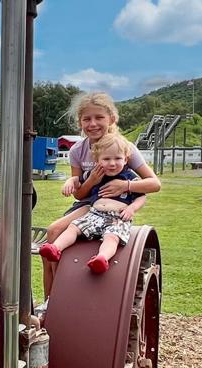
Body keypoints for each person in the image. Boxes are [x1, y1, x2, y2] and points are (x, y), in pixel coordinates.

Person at [40, 93, 160, 302]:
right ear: (80, 123)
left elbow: (154, 184)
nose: (92, 124)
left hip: (114, 204)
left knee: (56, 230)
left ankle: (60, 295)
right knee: (53, 232)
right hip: (89, 202)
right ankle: (51, 296)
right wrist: (91, 181)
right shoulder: (78, 149)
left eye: (99, 118)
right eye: (87, 119)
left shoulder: (124, 148)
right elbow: (79, 193)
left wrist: (126, 185)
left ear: (112, 119)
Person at [38, 133, 144, 274]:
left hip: (117, 218)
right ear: (97, 160)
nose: (112, 163)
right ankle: (56, 248)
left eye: (117, 158)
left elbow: (141, 197)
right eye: (106, 159)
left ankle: (102, 258)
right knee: (73, 228)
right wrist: (69, 182)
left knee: (111, 238)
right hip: (94, 214)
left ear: (125, 159)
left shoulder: (130, 177)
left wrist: (132, 208)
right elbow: (77, 179)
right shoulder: (97, 172)